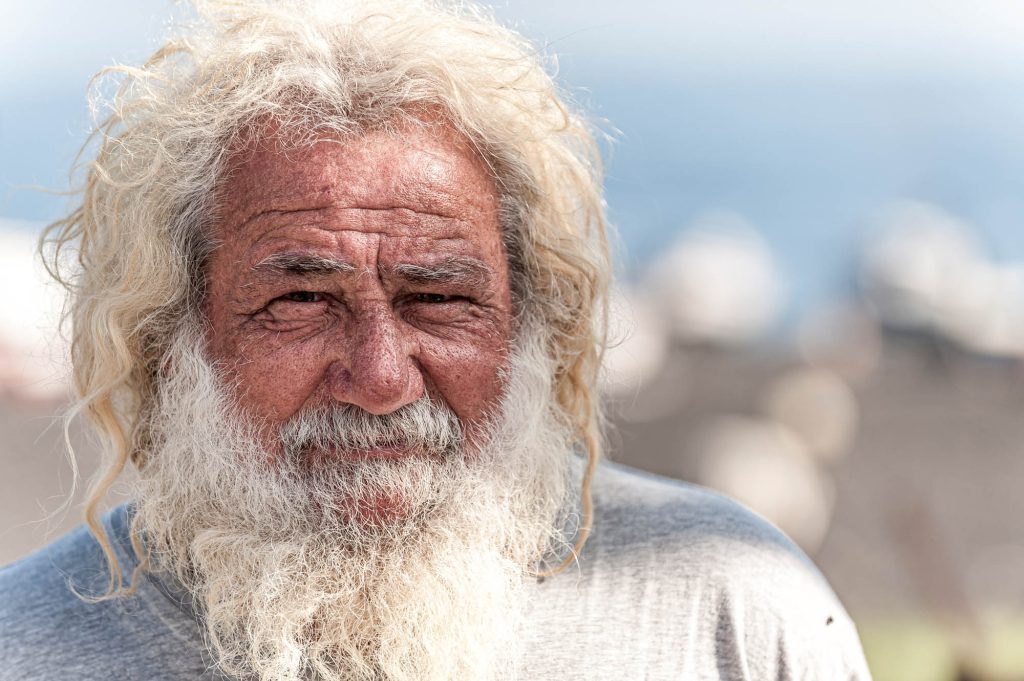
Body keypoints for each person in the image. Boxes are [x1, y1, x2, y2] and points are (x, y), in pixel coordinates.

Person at [0, 1, 872, 679]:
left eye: (442, 298)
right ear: (170, 338)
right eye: (300, 298)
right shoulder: (25, 649)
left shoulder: (734, 614)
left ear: (534, 325)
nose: (381, 377)